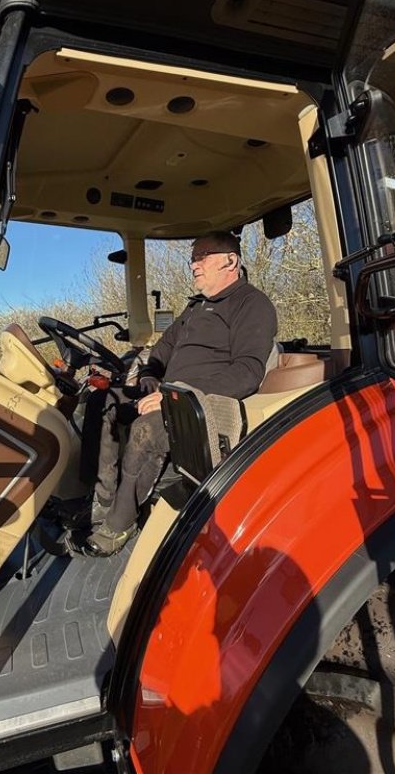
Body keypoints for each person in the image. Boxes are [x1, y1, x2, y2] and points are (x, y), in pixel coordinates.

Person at [85, 230, 278, 556]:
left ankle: (120, 524)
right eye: (193, 257)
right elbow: (162, 349)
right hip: (166, 396)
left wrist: (174, 394)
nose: (193, 264)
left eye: (202, 256)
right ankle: (102, 499)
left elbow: (247, 372)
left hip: (205, 406)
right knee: (101, 401)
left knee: (147, 429)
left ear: (230, 260)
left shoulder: (251, 304)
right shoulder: (195, 308)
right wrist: (149, 376)